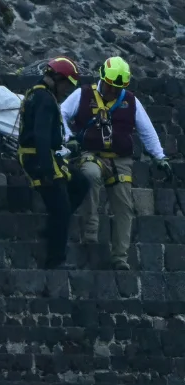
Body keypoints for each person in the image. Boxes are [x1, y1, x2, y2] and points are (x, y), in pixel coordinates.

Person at [61, 56, 170, 270]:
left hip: (121, 160)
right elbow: (60, 112)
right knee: (90, 175)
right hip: (91, 154)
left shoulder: (130, 101)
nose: (113, 91)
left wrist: (160, 157)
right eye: (110, 86)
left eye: (117, 88)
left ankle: (120, 257)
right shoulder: (82, 94)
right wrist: (67, 138)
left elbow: (147, 130)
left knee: (124, 206)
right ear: (103, 79)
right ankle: (90, 234)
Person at [18, 57, 90, 269]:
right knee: (60, 209)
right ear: (57, 79)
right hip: (40, 160)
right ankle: (55, 260)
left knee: (81, 184)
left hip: (44, 157)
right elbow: (41, 136)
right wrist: (47, 171)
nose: (68, 91)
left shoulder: (39, 94)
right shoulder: (45, 100)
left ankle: (52, 229)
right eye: (67, 84)